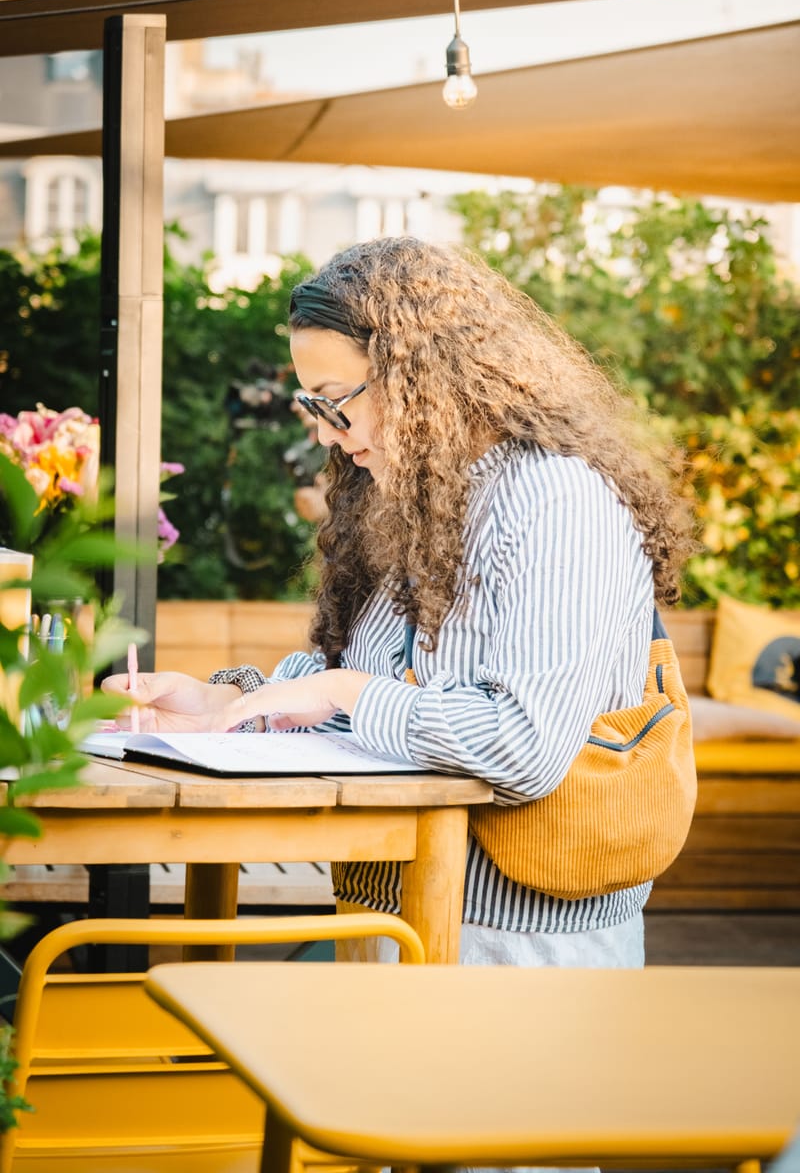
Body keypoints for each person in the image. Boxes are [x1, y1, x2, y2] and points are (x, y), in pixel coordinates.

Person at [103, 235, 695, 970]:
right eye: (309, 404)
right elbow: (371, 692)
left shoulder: (554, 499)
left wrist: (342, 688)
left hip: (515, 945)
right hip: (393, 910)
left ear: (425, 376)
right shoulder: (426, 495)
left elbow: (524, 745)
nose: (322, 430)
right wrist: (230, 702)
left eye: (335, 401)